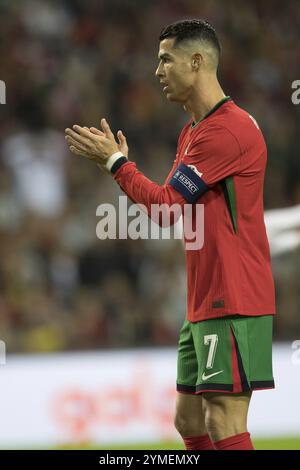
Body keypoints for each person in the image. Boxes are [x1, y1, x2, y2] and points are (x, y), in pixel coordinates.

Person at [65, 19, 276, 451]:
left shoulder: (227, 131)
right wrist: (120, 163)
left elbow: (163, 210)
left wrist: (115, 164)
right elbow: (169, 202)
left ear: (196, 61)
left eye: (165, 59)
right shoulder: (193, 131)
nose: (157, 71)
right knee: (188, 418)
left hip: (232, 296)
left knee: (223, 418)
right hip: (203, 298)